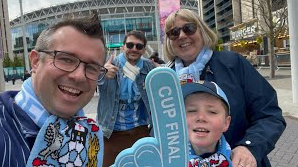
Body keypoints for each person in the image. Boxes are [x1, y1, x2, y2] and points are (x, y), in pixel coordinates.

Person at [0, 13, 107, 166]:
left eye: (92, 68)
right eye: (66, 59)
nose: (79, 76)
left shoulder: (89, 136)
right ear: (36, 62)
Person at [164, 9, 286, 167]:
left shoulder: (233, 63)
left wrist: (249, 147)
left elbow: (269, 115)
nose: (181, 35)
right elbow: (157, 126)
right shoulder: (164, 78)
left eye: (189, 28)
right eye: (173, 32)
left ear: (202, 31)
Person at [97, 30, 155, 167]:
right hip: (112, 133)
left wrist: (162, 72)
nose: (134, 49)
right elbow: (93, 81)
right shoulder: (110, 66)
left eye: (139, 46)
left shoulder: (147, 66)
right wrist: (102, 74)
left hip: (140, 130)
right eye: (130, 45)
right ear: (123, 47)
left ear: (144, 50)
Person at [182, 81, 232, 167]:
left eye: (212, 112)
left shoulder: (238, 162)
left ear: (226, 123)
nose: (201, 117)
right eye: (192, 110)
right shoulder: (164, 161)